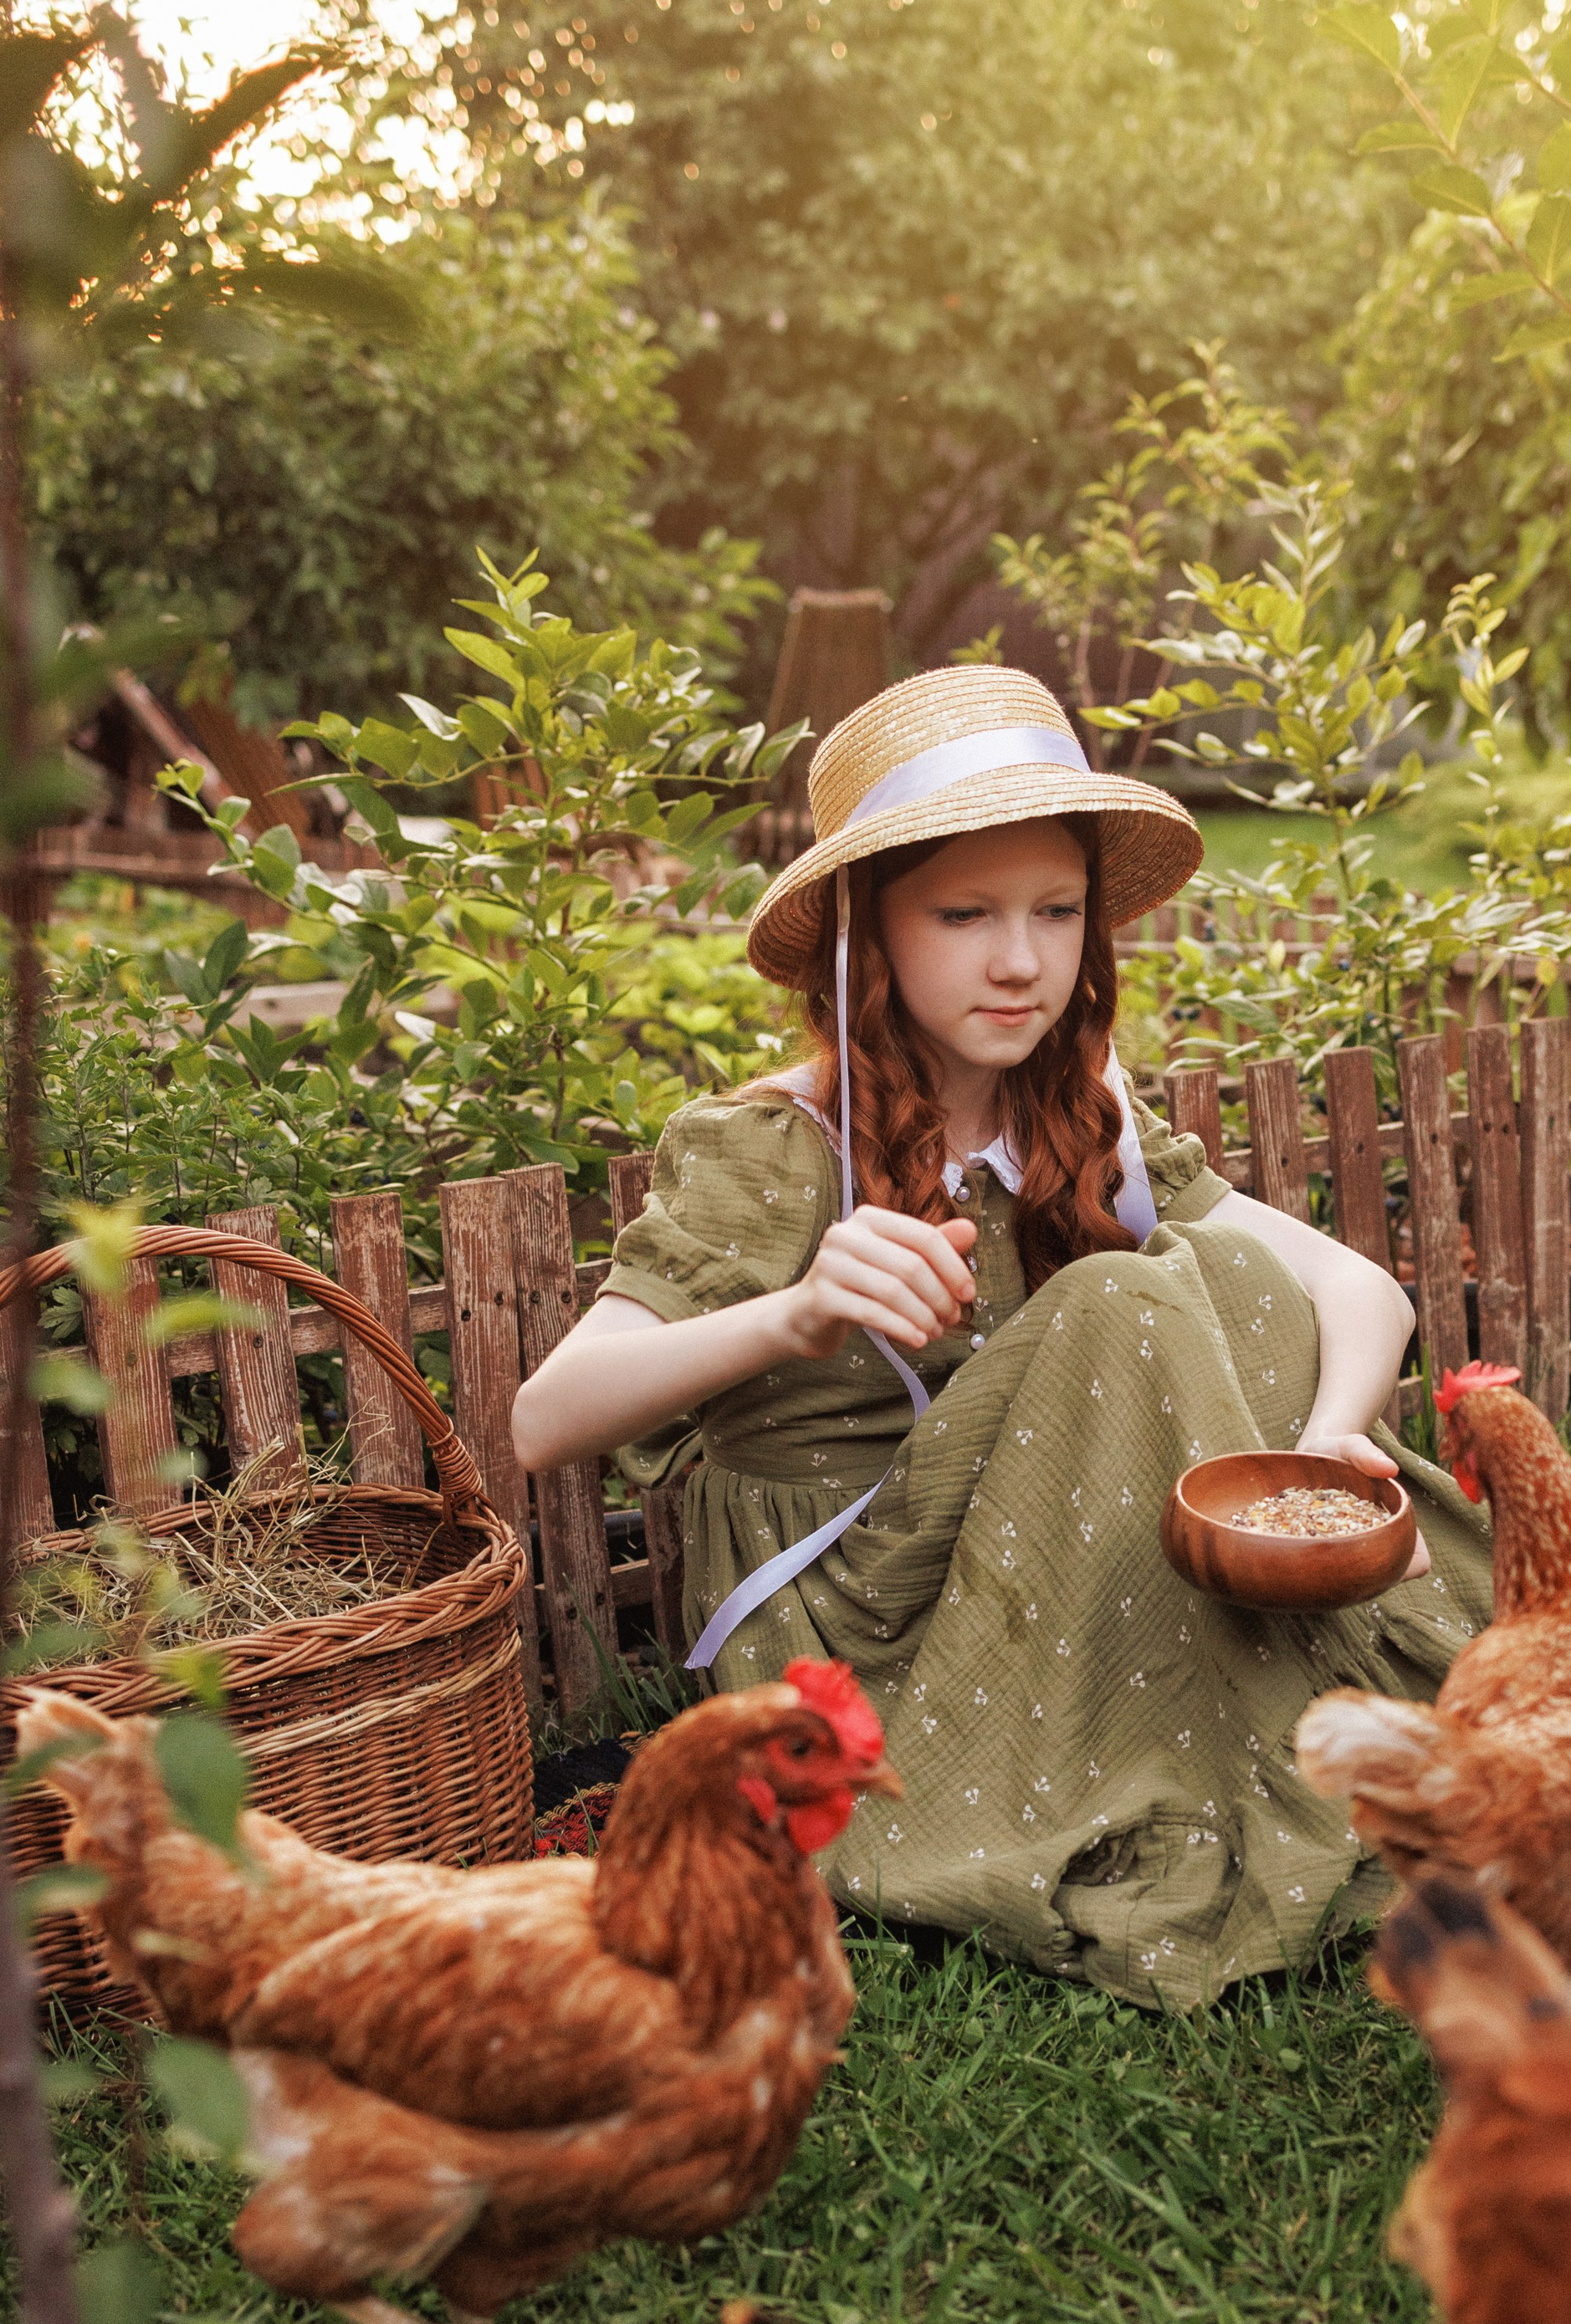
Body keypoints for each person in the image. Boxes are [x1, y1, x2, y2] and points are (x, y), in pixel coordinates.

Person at [514, 664, 1502, 2009]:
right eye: (964, 913)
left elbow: (1356, 1289)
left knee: (1220, 1273)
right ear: (869, 930)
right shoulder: (772, 1147)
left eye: (1056, 910)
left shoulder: (1077, 1115)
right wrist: (796, 1311)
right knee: (1125, 1295)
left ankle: (1294, 1709)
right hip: (848, 1617)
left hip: (1020, 1551)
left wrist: (1324, 1446)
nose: (1022, 960)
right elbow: (546, 1418)